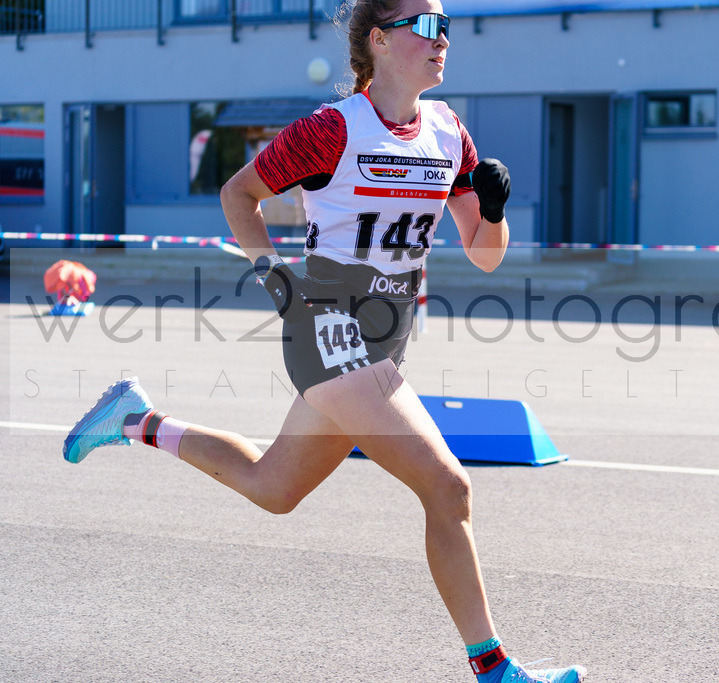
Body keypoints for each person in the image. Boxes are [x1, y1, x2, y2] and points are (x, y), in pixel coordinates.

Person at [62, 2, 587, 681]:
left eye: (446, 25)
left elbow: (485, 255)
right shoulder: (332, 129)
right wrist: (274, 278)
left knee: (272, 486)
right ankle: (494, 667)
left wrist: (493, 209)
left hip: (388, 336)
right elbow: (237, 193)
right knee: (448, 487)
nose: (442, 39)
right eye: (425, 26)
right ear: (378, 39)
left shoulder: (450, 133)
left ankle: (135, 419)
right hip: (328, 325)